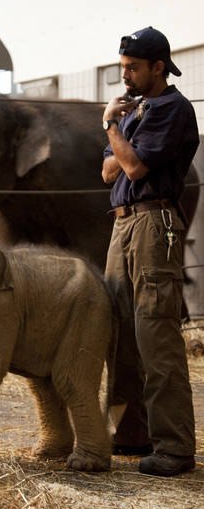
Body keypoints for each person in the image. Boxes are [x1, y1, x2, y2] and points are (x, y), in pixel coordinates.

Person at [101, 26, 199, 476]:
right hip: (122, 225)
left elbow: (135, 166)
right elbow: (109, 171)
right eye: (123, 67)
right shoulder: (134, 110)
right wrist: (120, 133)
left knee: (156, 334)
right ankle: (131, 433)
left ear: (158, 67)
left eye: (133, 68)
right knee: (119, 332)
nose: (126, 76)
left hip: (154, 225)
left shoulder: (171, 109)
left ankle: (175, 448)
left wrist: (110, 125)